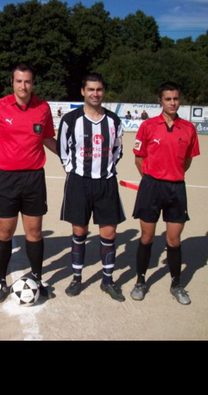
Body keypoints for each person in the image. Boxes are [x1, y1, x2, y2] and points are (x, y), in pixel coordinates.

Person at [0, 63, 57, 303]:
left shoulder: (43, 108)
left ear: (33, 83)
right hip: (6, 178)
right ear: (12, 82)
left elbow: (48, 139)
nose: (23, 86)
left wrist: (70, 158)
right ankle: (1, 280)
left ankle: (37, 276)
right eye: (19, 81)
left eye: (27, 81)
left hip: (34, 178)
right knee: (4, 232)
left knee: (34, 232)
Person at [57, 73, 126, 302]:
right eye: (91, 89)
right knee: (79, 231)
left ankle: (107, 280)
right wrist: (73, 171)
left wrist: (104, 168)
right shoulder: (70, 119)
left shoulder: (114, 121)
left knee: (109, 233)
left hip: (106, 182)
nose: (95, 93)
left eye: (99, 89)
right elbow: (63, 151)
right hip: (79, 182)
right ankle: (77, 277)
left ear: (103, 92)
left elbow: (117, 150)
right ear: (83, 91)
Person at [131, 82, 200, 305]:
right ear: (160, 101)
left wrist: (173, 174)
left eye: (176, 99)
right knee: (147, 236)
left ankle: (176, 284)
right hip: (151, 187)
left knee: (174, 238)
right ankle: (141, 281)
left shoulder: (189, 128)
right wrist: (151, 179)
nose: (172, 102)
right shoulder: (148, 126)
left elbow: (187, 160)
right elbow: (139, 157)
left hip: (176, 188)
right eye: (168, 99)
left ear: (180, 100)